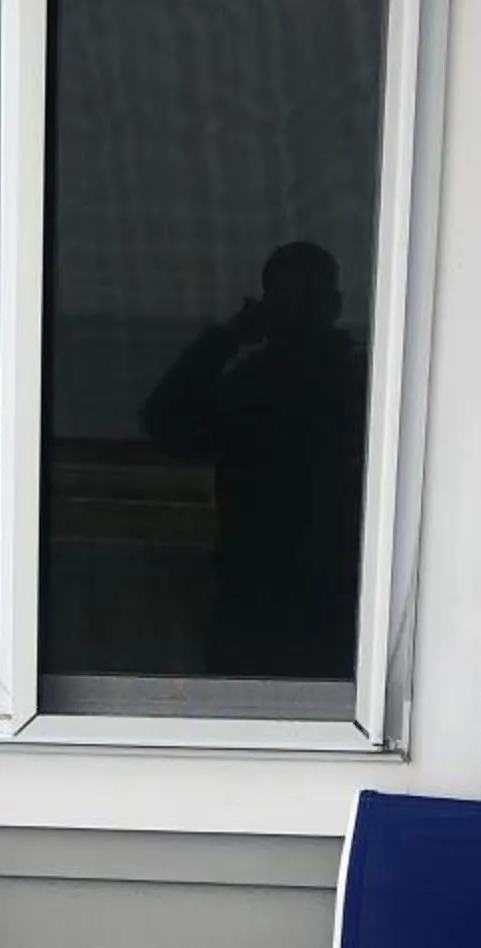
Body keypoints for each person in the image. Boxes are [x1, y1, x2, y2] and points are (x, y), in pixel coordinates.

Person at [140, 242, 368, 681]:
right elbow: (165, 422)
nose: (296, 315)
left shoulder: (348, 385)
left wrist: (228, 337)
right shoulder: (259, 388)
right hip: (264, 593)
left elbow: (165, 422)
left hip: (325, 594)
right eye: (287, 302)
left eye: (305, 302)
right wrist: (226, 339)